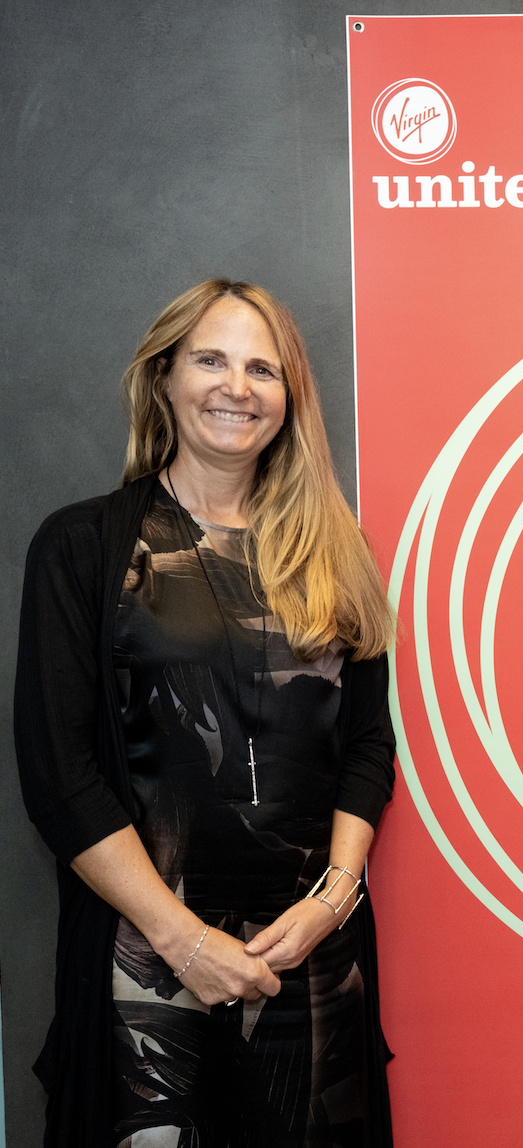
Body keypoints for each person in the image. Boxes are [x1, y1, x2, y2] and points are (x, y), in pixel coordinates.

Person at [14, 280, 399, 1146]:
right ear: (164, 379)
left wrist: (334, 900)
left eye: (263, 368)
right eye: (212, 360)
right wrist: (182, 939)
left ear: (290, 398)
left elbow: (369, 746)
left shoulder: (339, 553)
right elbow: (59, 773)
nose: (238, 386)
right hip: (145, 975)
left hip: (311, 966)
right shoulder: (83, 548)